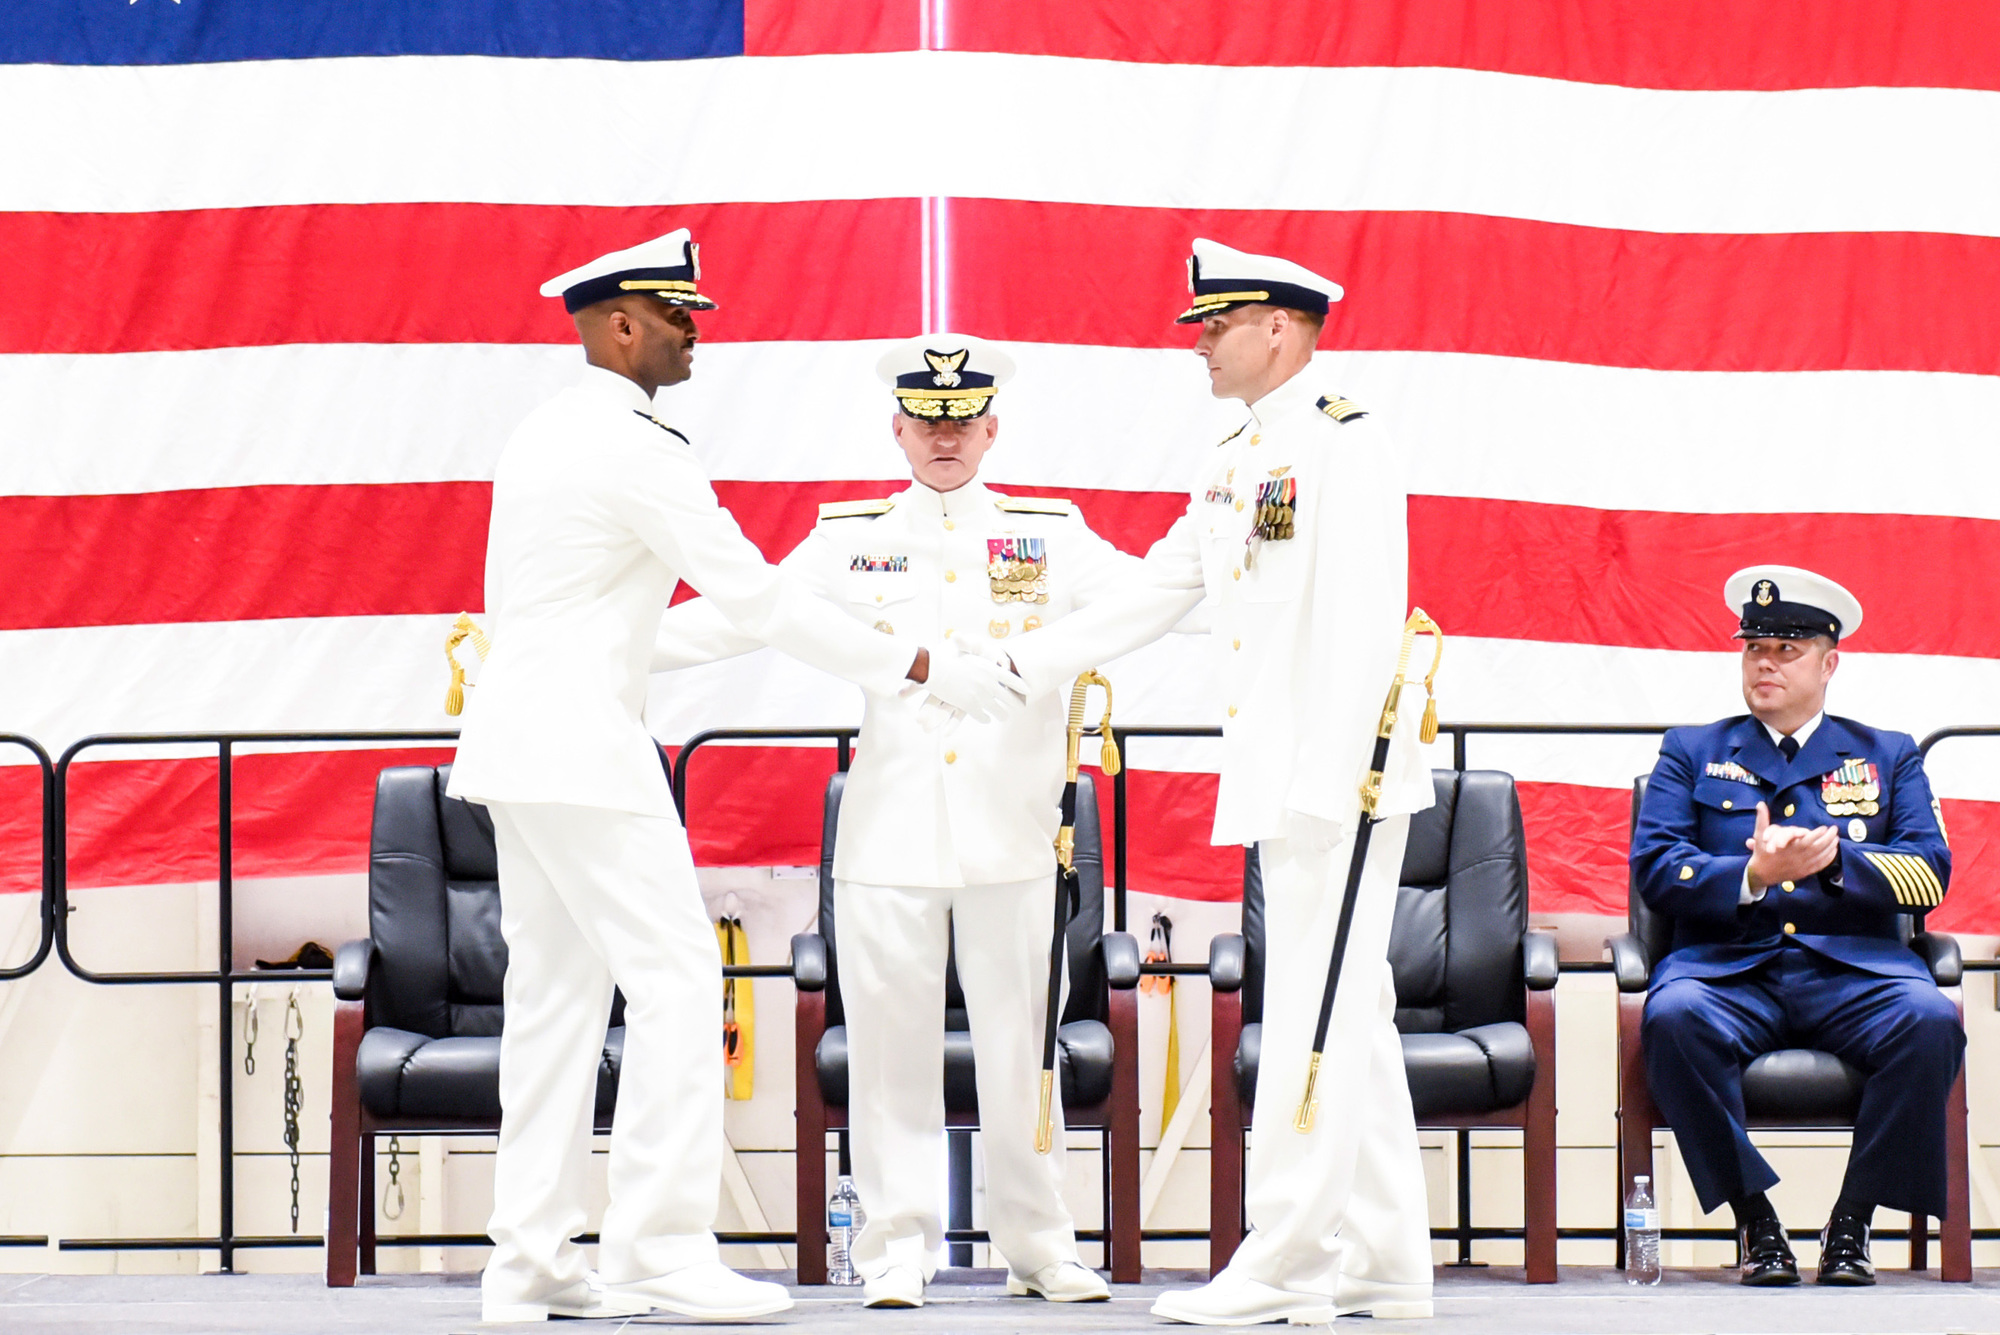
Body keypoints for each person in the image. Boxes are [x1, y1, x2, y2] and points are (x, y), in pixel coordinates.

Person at [445, 230, 1024, 1323]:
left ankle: (527, 1265)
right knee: (673, 985)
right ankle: (658, 1250)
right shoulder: (632, 444)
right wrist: (920, 663)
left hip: (519, 747)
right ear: (620, 327)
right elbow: (755, 600)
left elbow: (598, 619)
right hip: (583, 751)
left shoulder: (545, 431)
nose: (694, 330)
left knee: (555, 1003)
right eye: (676, 316)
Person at [652, 334, 1154, 1308]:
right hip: (888, 840)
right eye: (926, 420)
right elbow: (741, 616)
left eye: (961, 419)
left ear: (992, 428)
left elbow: (1153, 597)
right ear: (897, 428)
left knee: (1021, 1051)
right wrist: (600, 647)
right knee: (888, 1059)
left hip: (1010, 835)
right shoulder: (849, 536)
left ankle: (1039, 1244)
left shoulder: (1048, 532)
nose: (944, 436)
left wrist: (1273, 598)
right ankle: (895, 1247)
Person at [990, 239, 1438, 1325]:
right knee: (1352, 1009)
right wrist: (1017, 664)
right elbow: (1161, 587)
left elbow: (1366, 626)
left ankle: (1286, 1265)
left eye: (1213, 324)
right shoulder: (1240, 453)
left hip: (1333, 780)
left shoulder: (1344, 444)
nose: (1196, 341)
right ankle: (1386, 1263)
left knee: (1308, 1019)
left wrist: (1333, 781)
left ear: (1276, 328)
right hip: (1283, 772)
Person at [1630, 566, 1961, 1286]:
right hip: (1730, 970)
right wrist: (1752, 878)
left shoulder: (1887, 752)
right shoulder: (1690, 750)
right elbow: (1655, 867)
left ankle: (1853, 1222)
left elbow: (1930, 871)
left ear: (1829, 662)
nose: (1766, 663)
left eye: (1787, 649)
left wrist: (1837, 862)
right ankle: (1756, 1221)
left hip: (1853, 972)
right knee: (1673, 1015)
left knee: (1932, 1018)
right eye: (1754, 648)